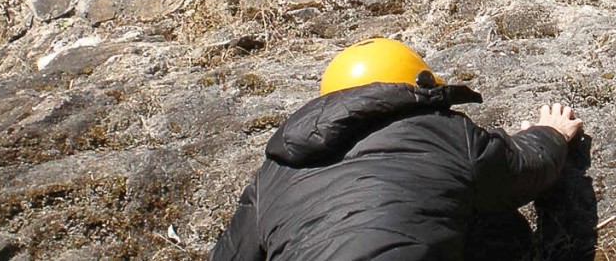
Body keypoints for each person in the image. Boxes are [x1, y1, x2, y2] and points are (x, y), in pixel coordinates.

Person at [210, 38, 584, 261]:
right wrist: (550, 133)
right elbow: (525, 168)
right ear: (418, 88)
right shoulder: (444, 133)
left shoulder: (275, 171)